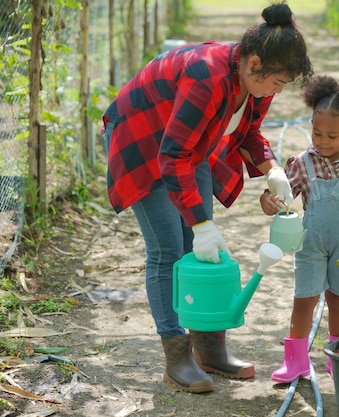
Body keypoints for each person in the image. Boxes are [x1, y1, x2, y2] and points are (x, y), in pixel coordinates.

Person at [101, 2, 313, 393]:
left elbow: (247, 131)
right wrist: (201, 223)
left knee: (200, 250)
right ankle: (176, 357)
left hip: (187, 142)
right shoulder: (208, 76)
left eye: (284, 84)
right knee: (168, 249)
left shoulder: (257, 82)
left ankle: (209, 348)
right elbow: (171, 156)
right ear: (253, 63)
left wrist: (272, 169)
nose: (278, 91)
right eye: (277, 82)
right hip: (143, 138)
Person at [259, 75, 339, 383]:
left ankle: (336, 357)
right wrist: (268, 200)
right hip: (310, 244)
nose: (322, 141)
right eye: (316, 132)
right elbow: (280, 193)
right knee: (305, 299)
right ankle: (295, 361)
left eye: (332, 135)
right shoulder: (301, 163)